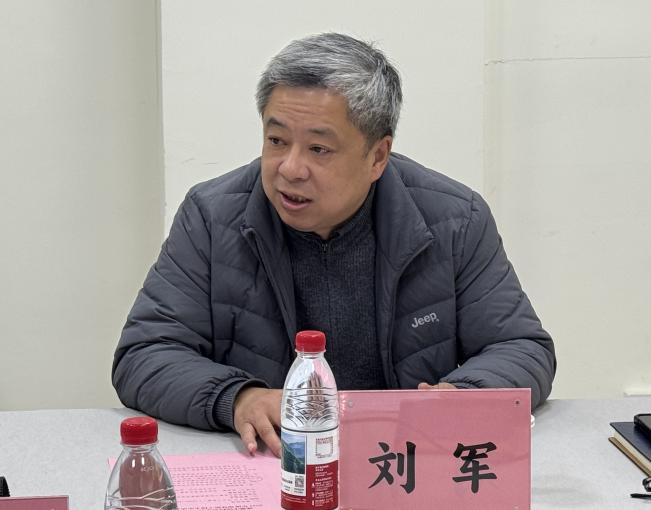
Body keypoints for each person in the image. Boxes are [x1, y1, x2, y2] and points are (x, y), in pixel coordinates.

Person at [112, 32, 556, 457]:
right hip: (277, 463)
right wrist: (237, 397)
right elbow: (145, 354)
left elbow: (521, 347)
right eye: (276, 141)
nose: (290, 168)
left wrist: (463, 396)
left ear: (377, 157)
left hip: (404, 465)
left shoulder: (454, 220)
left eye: (318, 149)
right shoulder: (212, 217)